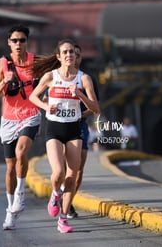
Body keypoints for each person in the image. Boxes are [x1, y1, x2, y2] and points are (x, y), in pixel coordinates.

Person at [29, 39, 100, 233]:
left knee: (72, 175)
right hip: (54, 128)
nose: (70, 55)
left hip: (74, 129)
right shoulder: (50, 77)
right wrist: (46, 107)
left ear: (76, 56)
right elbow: (33, 96)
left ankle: (63, 218)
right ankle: (55, 193)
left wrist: (79, 94)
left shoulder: (84, 79)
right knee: (59, 172)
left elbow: (96, 108)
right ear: (59, 56)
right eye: (65, 52)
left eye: (72, 52)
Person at [0, 24, 41, 230]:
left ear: (27, 42)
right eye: (15, 40)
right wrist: (4, 82)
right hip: (9, 119)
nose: (18, 44)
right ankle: (11, 211)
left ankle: (20, 194)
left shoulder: (35, 62)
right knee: (10, 166)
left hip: (31, 115)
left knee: (21, 152)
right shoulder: (1, 64)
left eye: (22, 40)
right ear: (9, 42)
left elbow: (49, 82)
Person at [65, 44, 100, 219]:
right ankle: (59, 194)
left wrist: (79, 113)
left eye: (77, 55)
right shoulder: (56, 76)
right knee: (64, 169)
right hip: (61, 125)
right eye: (71, 53)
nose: (74, 57)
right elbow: (46, 99)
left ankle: (68, 201)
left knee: (78, 169)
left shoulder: (87, 79)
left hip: (80, 125)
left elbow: (95, 108)